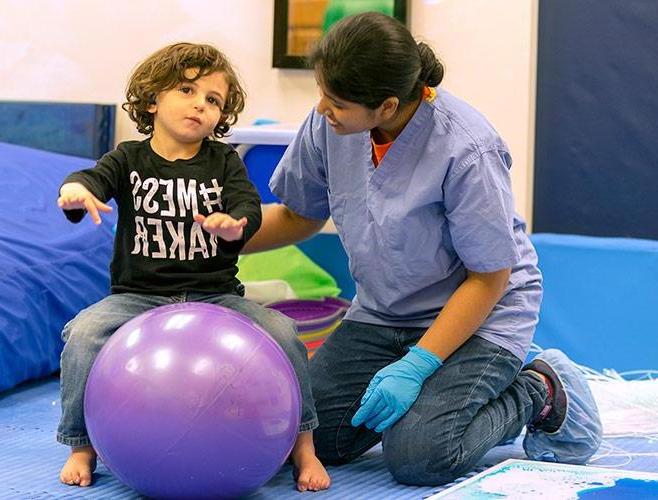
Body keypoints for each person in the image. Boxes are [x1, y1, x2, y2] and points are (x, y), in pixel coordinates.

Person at [244, 12, 603, 486]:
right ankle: (445, 390)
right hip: (383, 313)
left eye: (337, 102)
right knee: (310, 436)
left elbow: (489, 277)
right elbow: (299, 215)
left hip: (482, 313)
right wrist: (222, 239)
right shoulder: (329, 126)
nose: (322, 109)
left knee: (419, 456)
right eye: (323, 94)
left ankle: (538, 387)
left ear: (387, 105)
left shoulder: (467, 147)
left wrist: (417, 365)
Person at [55, 42, 330, 491]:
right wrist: (75, 193)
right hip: (137, 299)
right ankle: (81, 444)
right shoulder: (128, 158)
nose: (200, 104)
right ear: (152, 99)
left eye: (213, 100)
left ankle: (304, 448)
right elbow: (92, 179)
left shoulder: (223, 162)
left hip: (216, 298)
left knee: (283, 334)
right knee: (83, 334)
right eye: (187, 90)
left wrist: (234, 223)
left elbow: (248, 204)